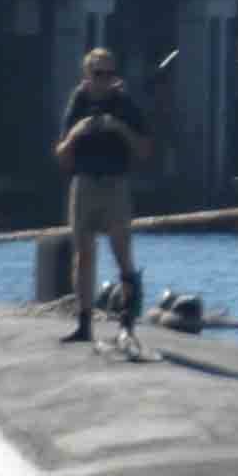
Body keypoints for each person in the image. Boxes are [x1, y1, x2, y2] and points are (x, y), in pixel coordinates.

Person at [48, 43, 153, 339]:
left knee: (121, 253)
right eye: (98, 73)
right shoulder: (78, 101)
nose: (104, 79)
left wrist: (119, 128)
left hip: (115, 184)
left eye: (109, 74)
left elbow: (145, 150)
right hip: (84, 183)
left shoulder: (124, 104)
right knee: (83, 254)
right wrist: (76, 133)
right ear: (87, 75)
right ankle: (84, 324)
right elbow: (61, 155)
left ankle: (127, 322)